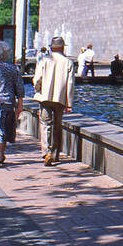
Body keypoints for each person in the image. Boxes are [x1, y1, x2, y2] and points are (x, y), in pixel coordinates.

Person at [32, 36, 75, 166]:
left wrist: (38, 89)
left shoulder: (44, 60)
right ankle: (55, 154)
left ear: (51, 47)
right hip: (60, 99)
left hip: (45, 98)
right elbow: (70, 84)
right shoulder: (68, 62)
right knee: (57, 126)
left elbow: (37, 78)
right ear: (62, 48)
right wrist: (69, 103)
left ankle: (47, 151)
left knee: (45, 124)